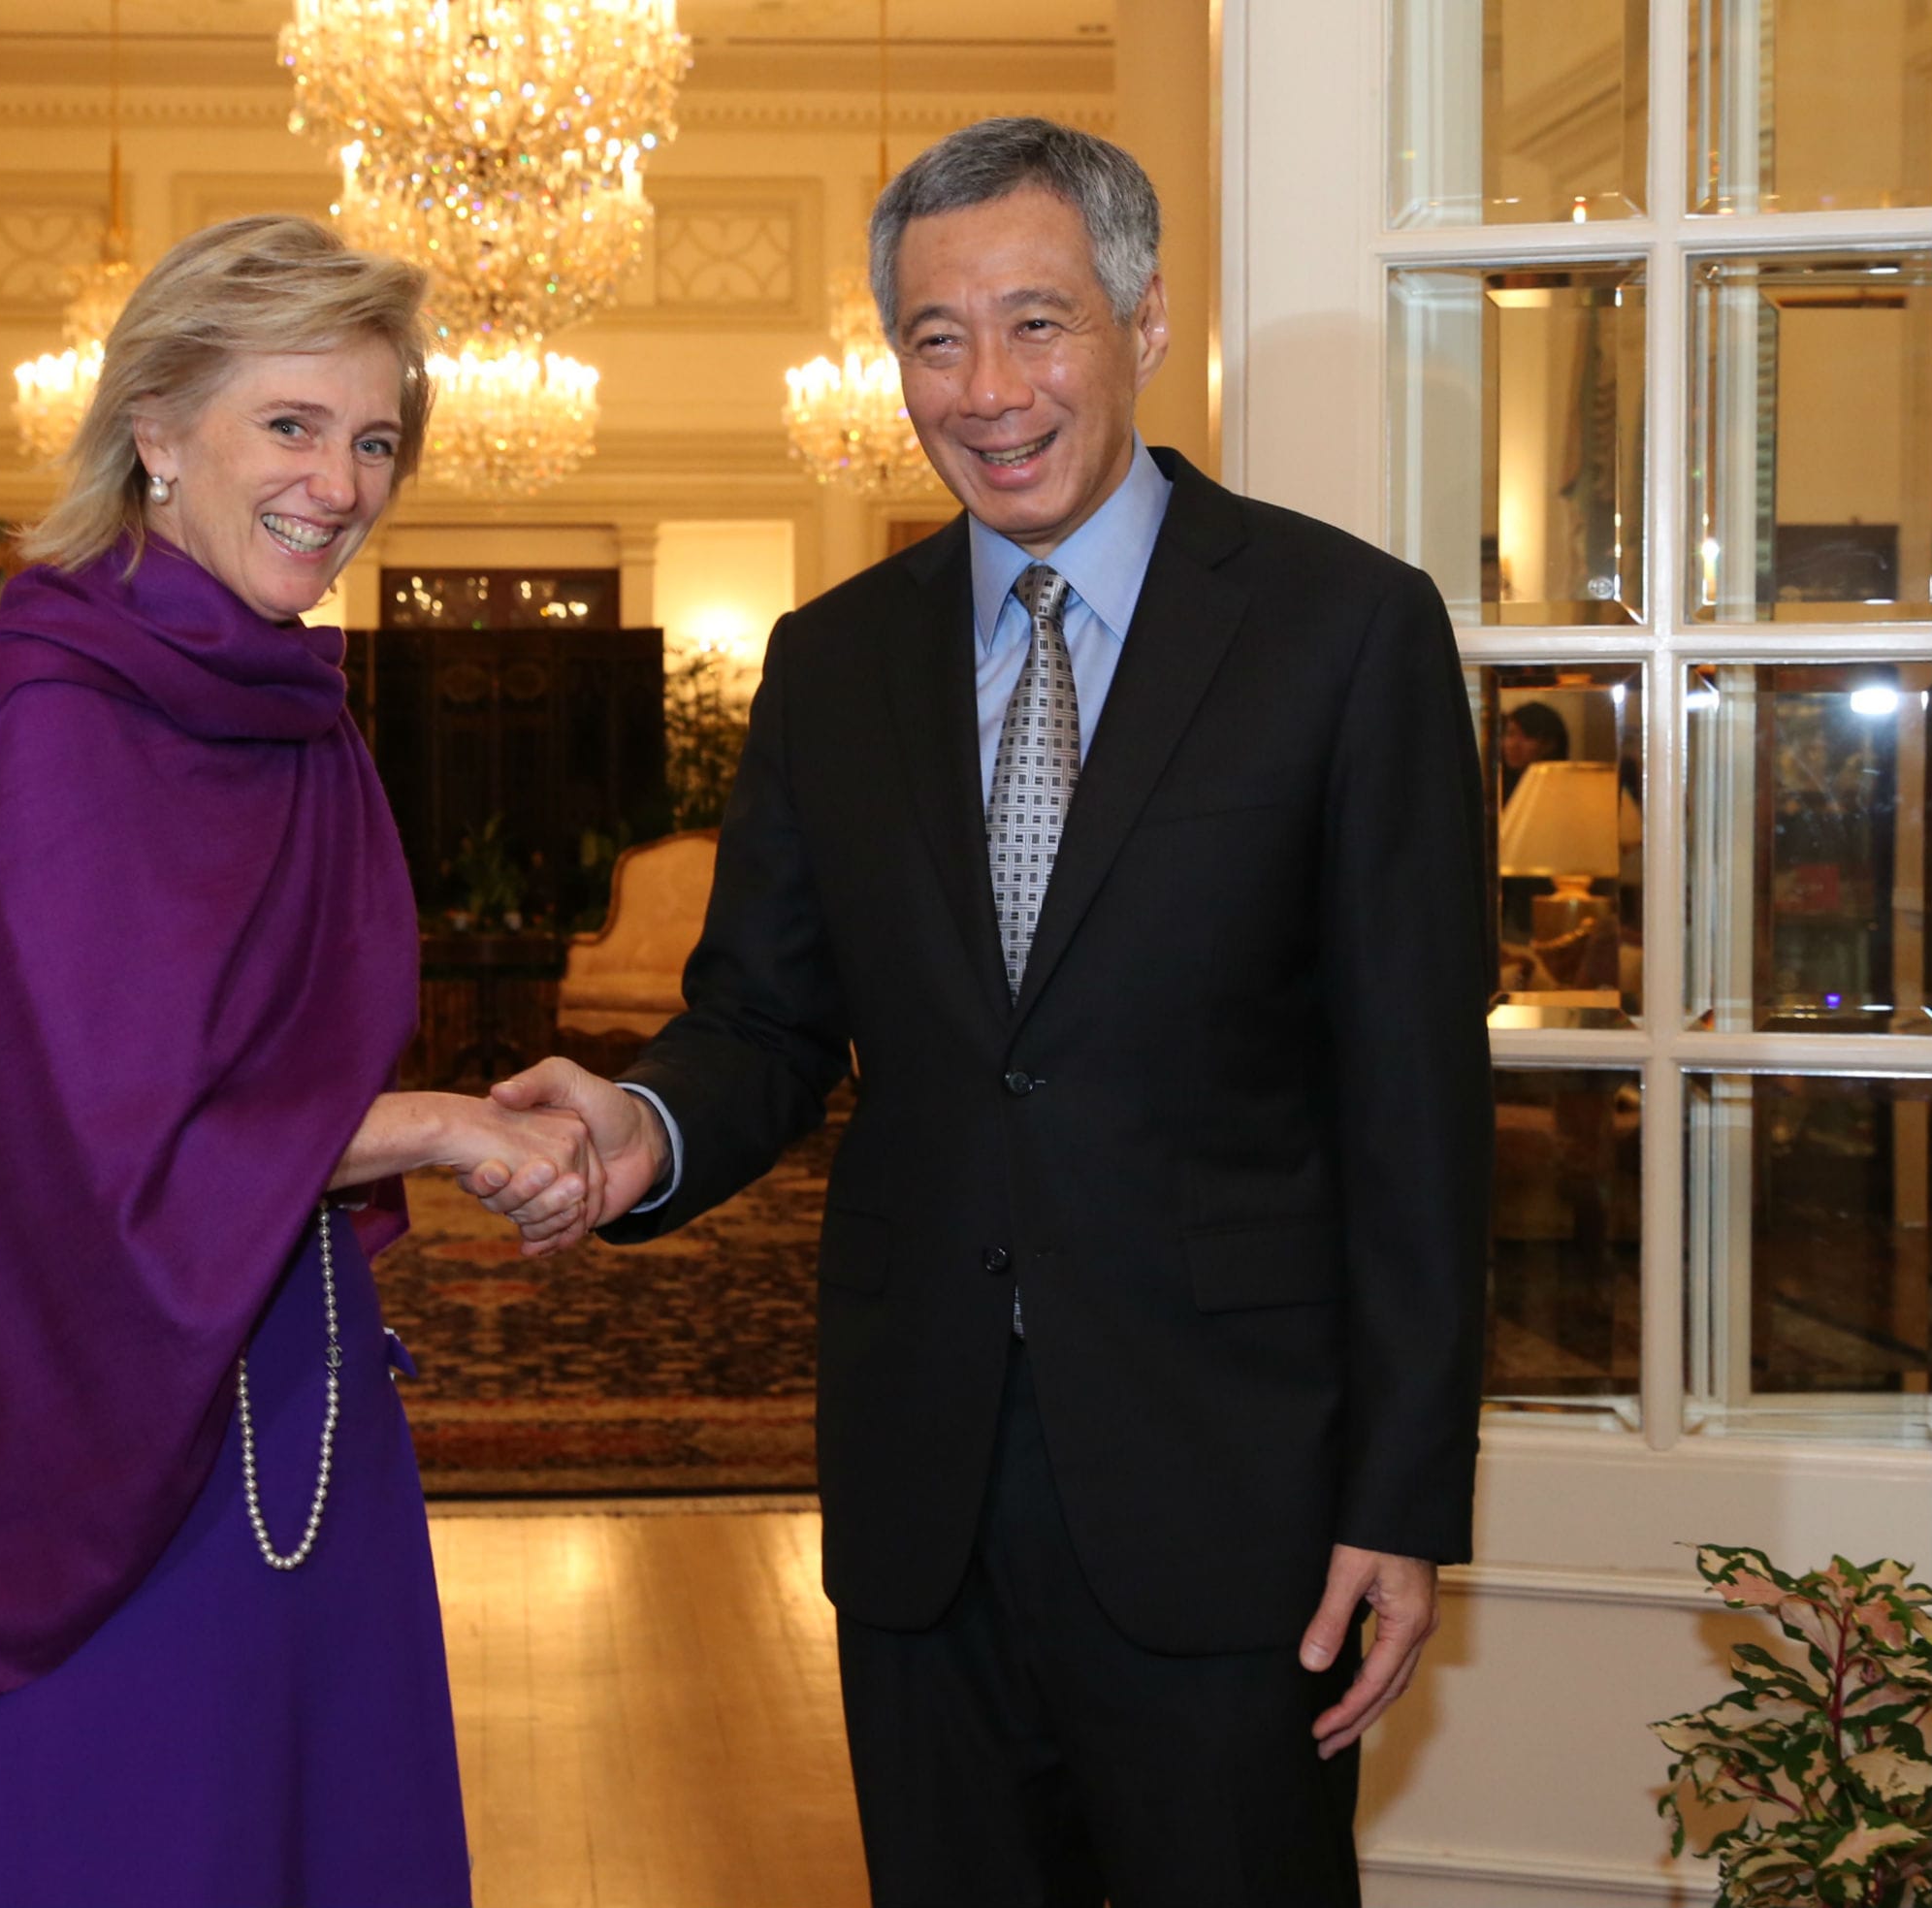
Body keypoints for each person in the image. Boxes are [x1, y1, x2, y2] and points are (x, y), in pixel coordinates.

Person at [480, 117, 1492, 1906]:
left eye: (1038, 322)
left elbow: (1414, 1108)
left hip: (1233, 1495)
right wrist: (643, 1127)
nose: (988, 388)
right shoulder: (832, 660)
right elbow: (768, 1023)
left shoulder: (1344, 632)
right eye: (936, 338)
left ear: (1144, 321)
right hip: (920, 1490)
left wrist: (1402, 1499)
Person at [0, 214, 598, 1908]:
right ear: (158, 428)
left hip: (307, 1401)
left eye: (376, 436)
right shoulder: (40, 705)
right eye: (294, 425)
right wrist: (446, 1127)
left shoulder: (293, 708)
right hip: (93, 1442)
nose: (343, 481)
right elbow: (109, 1142)